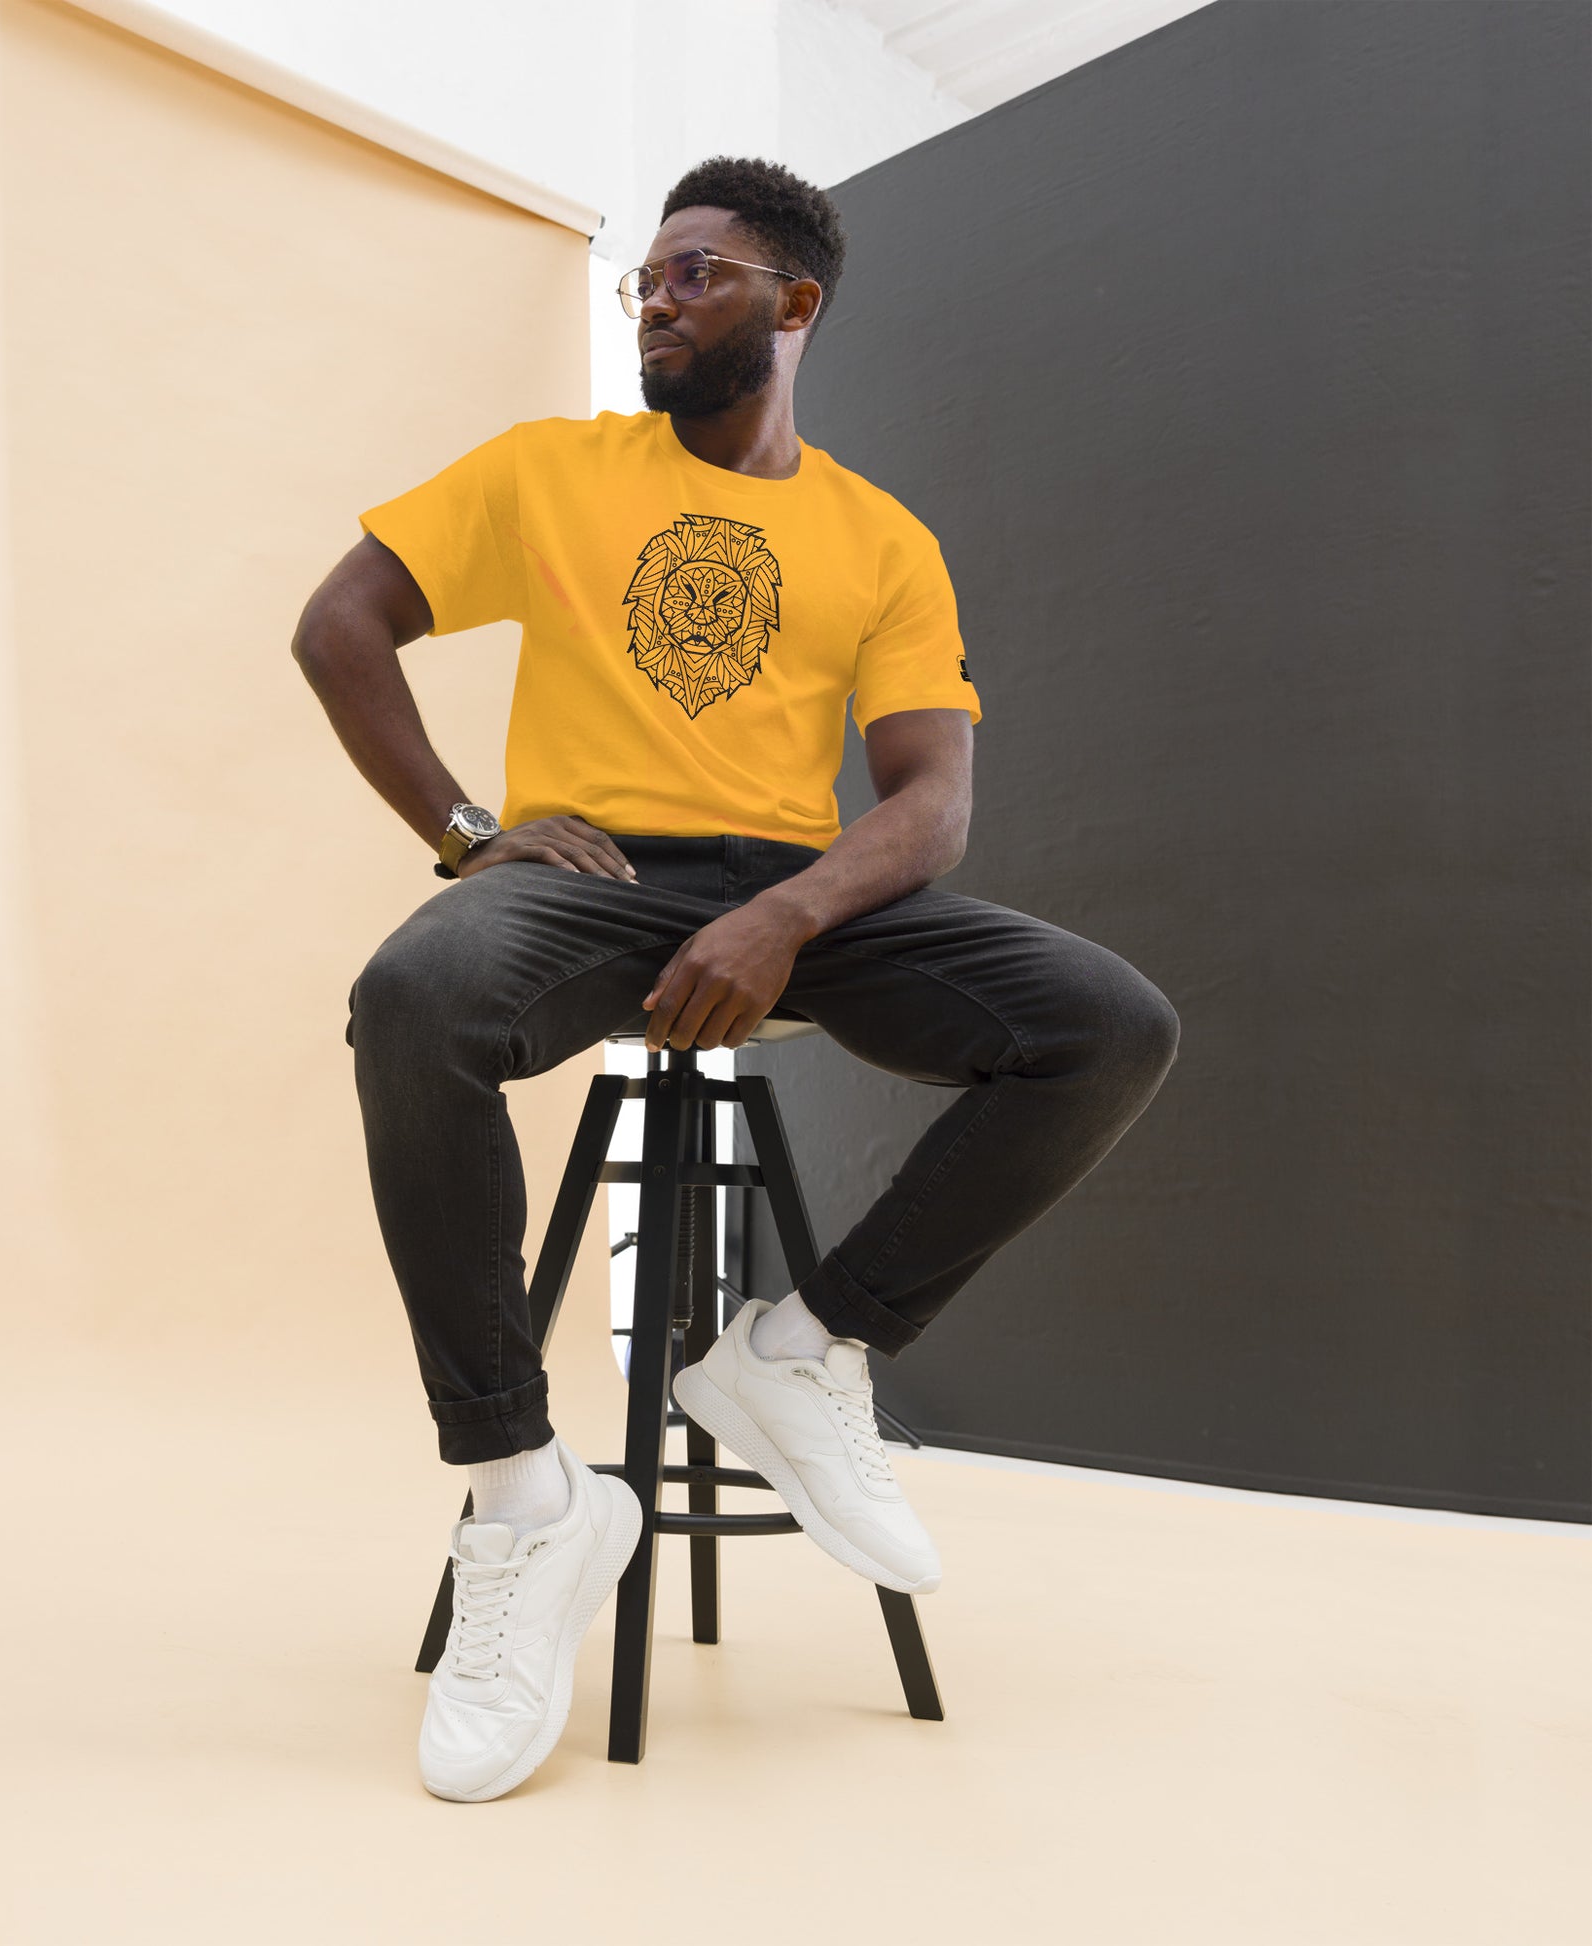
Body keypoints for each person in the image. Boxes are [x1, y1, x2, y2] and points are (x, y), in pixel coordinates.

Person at [292, 155, 1180, 1802]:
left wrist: (785, 916)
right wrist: (471, 830)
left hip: (797, 888)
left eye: (693, 273)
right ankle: (524, 1498)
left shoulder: (878, 537)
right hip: (593, 880)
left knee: (1106, 1024)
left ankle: (798, 1349)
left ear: (793, 303)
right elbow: (339, 622)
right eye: (644, 276)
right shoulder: (551, 471)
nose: (655, 296)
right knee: (412, 1002)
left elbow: (930, 802)